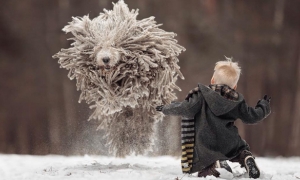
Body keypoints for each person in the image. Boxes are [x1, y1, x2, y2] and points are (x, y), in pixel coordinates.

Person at [156, 58, 271, 179]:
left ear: (212, 80)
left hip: (205, 145)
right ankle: (245, 157)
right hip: (229, 142)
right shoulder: (237, 101)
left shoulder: (201, 95)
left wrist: (165, 108)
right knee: (240, 150)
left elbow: (185, 108)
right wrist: (264, 105)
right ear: (235, 86)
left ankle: (211, 169)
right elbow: (251, 117)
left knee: (205, 167)